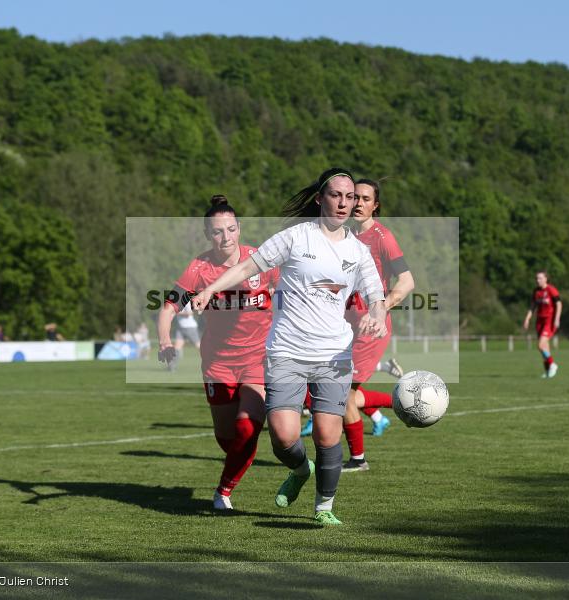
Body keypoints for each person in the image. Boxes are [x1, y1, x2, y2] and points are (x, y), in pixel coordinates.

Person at [192, 168, 387, 526]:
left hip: (334, 356)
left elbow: (376, 295)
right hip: (286, 352)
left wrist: (377, 315)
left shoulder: (358, 252)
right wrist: (208, 289)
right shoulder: (296, 237)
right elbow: (248, 266)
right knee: (283, 436)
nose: (344, 203)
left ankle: (323, 508)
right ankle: (300, 469)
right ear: (320, 199)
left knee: (329, 433)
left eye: (349, 197)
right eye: (335, 195)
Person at [157, 195, 278, 510]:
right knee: (228, 440)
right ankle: (237, 461)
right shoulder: (199, 268)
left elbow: (294, 286)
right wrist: (164, 342)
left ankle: (223, 492)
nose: (226, 237)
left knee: (246, 427)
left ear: (239, 228)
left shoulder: (261, 260)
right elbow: (169, 307)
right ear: (207, 235)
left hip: (257, 360)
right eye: (217, 232)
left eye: (231, 229)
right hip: (218, 364)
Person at [302, 178, 415, 472]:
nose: (359, 203)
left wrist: (380, 309)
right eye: (355, 198)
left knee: (344, 393)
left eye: (366, 198)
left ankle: (357, 459)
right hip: (345, 328)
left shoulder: (382, 237)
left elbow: (407, 282)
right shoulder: (347, 236)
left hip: (370, 330)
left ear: (375, 205)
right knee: (335, 388)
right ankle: (401, 399)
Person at [523, 271, 562, 378]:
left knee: (540, 345)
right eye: (536, 278)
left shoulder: (551, 289)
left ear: (546, 279)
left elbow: (559, 303)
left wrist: (557, 318)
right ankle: (548, 371)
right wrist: (527, 319)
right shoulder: (536, 291)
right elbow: (533, 306)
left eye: (540, 278)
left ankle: (553, 364)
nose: (537, 280)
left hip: (549, 320)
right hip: (539, 321)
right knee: (545, 347)